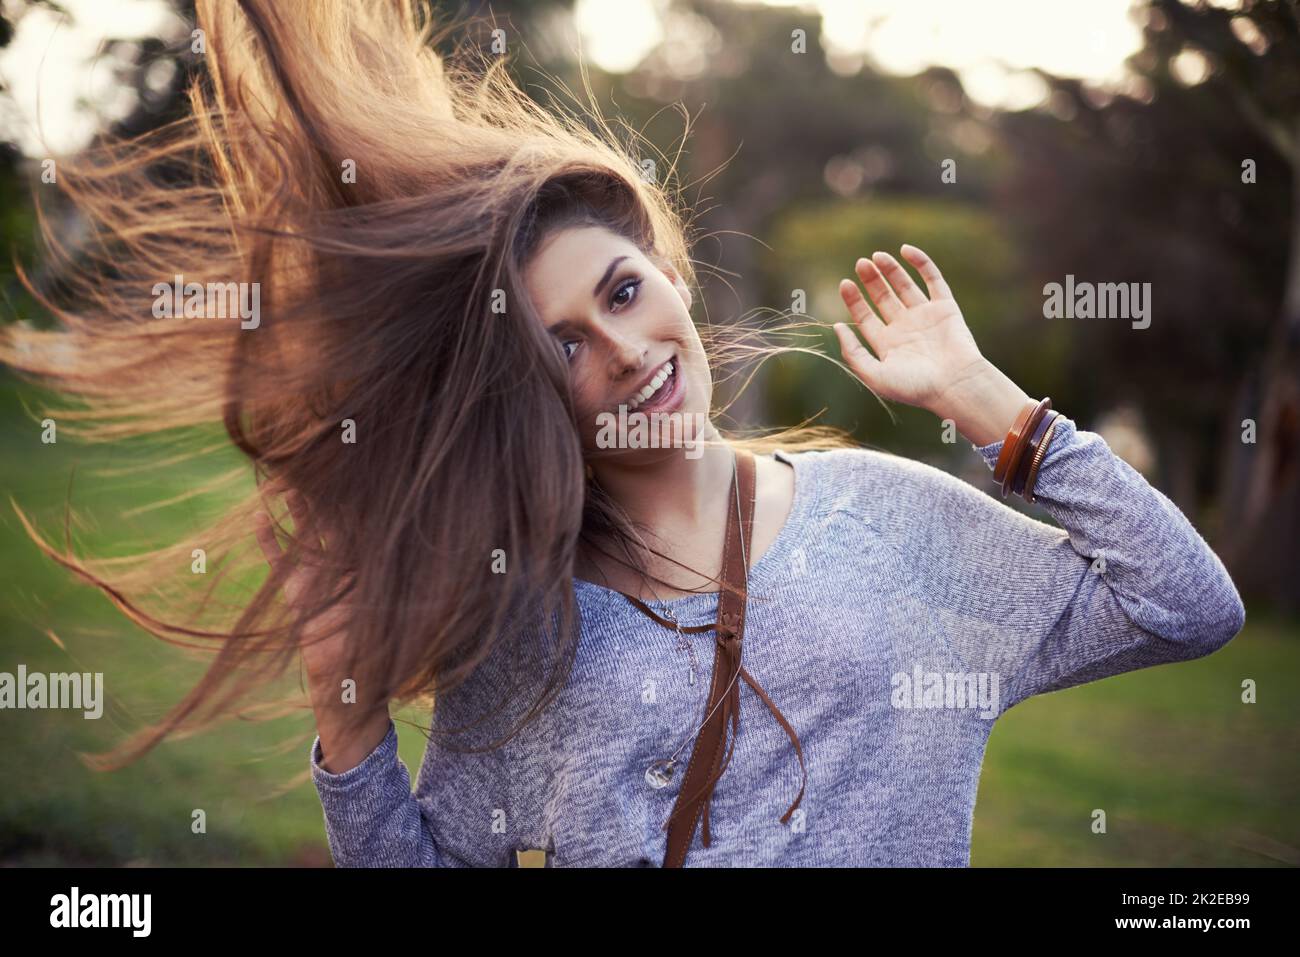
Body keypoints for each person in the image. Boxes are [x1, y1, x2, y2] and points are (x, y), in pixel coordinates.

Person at [2, 0, 1244, 867]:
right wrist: (348, 737)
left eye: (622, 291)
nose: (626, 353)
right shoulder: (523, 626)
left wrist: (992, 407)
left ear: (671, 272)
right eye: (560, 346)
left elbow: (1188, 608)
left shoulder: (894, 520)